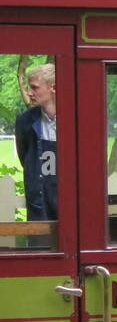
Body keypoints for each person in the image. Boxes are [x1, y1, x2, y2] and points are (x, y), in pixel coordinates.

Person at [15, 62, 57, 221]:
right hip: (39, 204)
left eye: (35, 87)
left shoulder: (75, 118)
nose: (29, 93)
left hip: (70, 203)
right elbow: (25, 158)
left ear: (53, 87)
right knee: (40, 245)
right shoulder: (25, 121)